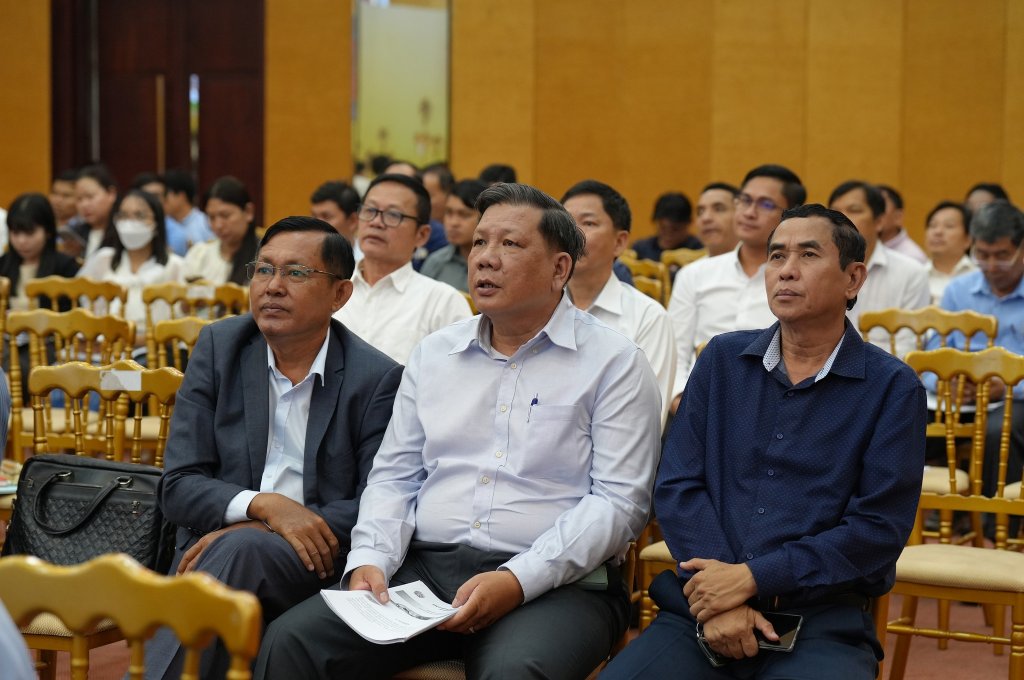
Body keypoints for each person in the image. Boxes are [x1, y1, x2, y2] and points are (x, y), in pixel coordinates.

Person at [255, 182, 662, 680]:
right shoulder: (435, 354)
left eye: (510, 244)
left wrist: (517, 579)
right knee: (291, 641)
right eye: (480, 242)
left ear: (560, 268)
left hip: (559, 582)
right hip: (424, 571)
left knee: (514, 672)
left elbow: (619, 503)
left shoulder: (615, 362)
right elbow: (394, 476)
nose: (485, 258)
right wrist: (370, 561)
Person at [602, 204, 926, 680]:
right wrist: (723, 597)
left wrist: (753, 578)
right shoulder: (723, 360)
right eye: (776, 256)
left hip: (817, 617)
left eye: (808, 255)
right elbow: (678, 485)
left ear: (853, 278)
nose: (786, 271)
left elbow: (876, 529)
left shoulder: (892, 388)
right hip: (702, 608)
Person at [148, 216, 403, 679]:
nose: (273, 286)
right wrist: (264, 506)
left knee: (244, 549)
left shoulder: (375, 378)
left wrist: (263, 529)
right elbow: (178, 484)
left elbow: (380, 498)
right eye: (264, 269)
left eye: (296, 273)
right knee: (240, 552)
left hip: (313, 560)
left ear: (340, 294)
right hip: (210, 550)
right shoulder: (219, 348)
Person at [667, 164, 804, 410]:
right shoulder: (694, 275)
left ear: (791, 216)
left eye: (765, 204)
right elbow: (674, 351)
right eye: (745, 200)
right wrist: (682, 402)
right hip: (698, 403)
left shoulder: (799, 279)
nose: (749, 212)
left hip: (774, 406)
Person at [926, 200, 1024, 499]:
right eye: (982, 255)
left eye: (1002, 256)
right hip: (960, 398)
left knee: (999, 431)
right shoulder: (959, 290)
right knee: (900, 420)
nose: (991, 266)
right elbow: (933, 352)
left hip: (1015, 398)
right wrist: (946, 382)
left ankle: (997, 521)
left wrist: (1008, 386)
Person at [562, 179, 676, 422]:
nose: (572, 233)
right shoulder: (534, 309)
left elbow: (645, 420)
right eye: (565, 223)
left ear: (620, 242)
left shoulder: (648, 318)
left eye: (588, 223)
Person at [333, 173, 471, 364]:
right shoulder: (330, 287)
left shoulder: (442, 302)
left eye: (393, 215)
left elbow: (460, 374)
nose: (376, 222)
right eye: (370, 210)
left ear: (422, 235)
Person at [828, 180, 929, 356]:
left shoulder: (911, 273)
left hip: (885, 370)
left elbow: (908, 346)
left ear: (879, 221)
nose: (842, 219)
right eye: (835, 212)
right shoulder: (816, 270)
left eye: (854, 210)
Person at [78, 188, 185, 352]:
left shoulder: (175, 266)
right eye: (123, 215)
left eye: (139, 215)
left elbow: (178, 327)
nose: (130, 223)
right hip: (103, 347)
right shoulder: (103, 259)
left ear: (157, 222)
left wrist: (131, 340)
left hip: (152, 351)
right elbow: (84, 306)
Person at [0, 194, 81, 400]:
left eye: (29, 233)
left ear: (47, 231)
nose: (21, 241)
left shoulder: (65, 266)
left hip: (47, 345)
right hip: (7, 341)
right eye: (15, 233)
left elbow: (72, 318)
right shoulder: (3, 264)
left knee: (23, 368)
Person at [183, 176, 259, 286]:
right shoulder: (199, 254)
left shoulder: (264, 258)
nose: (218, 225)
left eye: (225, 215)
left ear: (248, 212)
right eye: (211, 217)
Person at [421, 178, 487, 292]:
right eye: (448, 212)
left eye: (464, 215)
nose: (453, 223)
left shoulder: (498, 264)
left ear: (485, 217)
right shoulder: (436, 262)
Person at [923, 200, 975, 304]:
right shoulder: (917, 276)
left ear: (968, 240)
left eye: (949, 226)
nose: (938, 232)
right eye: (933, 225)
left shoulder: (978, 276)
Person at [632, 192, 701, 262]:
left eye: (675, 229)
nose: (668, 235)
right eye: (663, 228)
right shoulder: (640, 250)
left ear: (689, 223)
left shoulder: (698, 251)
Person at [71, 163, 118, 260]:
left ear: (111, 194)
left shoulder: (121, 232)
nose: (84, 205)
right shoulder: (77, 234)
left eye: (90, 197)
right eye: (79, 199)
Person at [163, 168, 214, 255]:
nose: (161, 200)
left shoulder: (205, 224)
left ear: (181, 196)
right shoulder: (163, 223)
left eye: (165, 195)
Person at [311, 180, 362, 261]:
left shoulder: (369, 261)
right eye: (314, 216)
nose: (316, 224)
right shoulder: (303, 257)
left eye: (326, 217)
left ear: (353, 221)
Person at [876, 185, 927, 264]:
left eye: (880, 206)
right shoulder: (864, 248)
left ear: (898, 217)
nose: (873, 214)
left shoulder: (912, 258)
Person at [695, 182, 740, 257]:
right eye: (700, 212)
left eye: (718, 209)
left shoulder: (760, 262)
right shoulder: (693, 265)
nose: (706, 218)